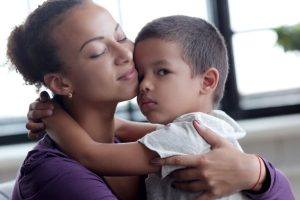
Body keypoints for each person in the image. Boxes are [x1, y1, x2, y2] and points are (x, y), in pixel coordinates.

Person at [14, 0, 294, 200]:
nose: (124, 54)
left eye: (121, 36)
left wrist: (257, 174)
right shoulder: (53, 175)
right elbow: (89, 154)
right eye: (98, 51)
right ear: (61, 83)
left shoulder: (170, 136)